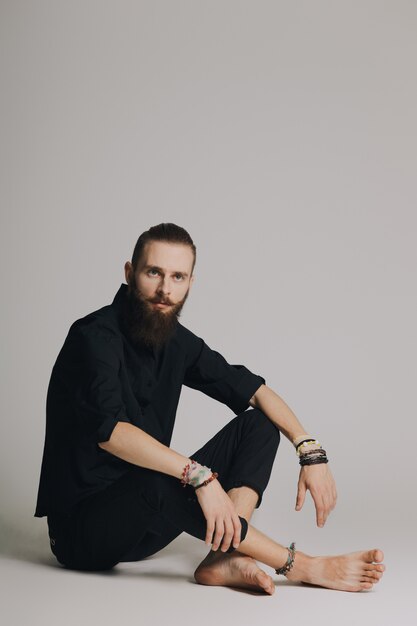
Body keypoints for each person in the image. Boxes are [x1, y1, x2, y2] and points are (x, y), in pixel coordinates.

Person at [34, 222, 385, 595]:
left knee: (261, 425)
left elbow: (256, 391)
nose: (165, 290)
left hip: (149, 523)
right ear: (129, 273)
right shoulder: (93, 336)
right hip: (84, 536)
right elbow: (112, 435)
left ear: (190, 283)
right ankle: (303, 566)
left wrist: (310, 451)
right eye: (153, 272)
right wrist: (198, 475)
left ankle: (222, 556)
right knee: (155, 477)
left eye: (177, 277)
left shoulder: (176, 342)